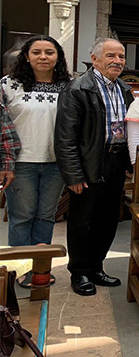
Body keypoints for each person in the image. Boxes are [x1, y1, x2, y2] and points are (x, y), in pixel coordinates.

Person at [55, 38, 134, 296]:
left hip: (116, 161)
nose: (118, 61)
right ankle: (79, 273)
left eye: (121, 57)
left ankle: (97, 267)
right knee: (82, 220)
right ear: (95, 58)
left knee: (109, 218)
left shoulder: (124, 89)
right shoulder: (78, 88)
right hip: (89, 163)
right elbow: (66, 136)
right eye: (111, 56)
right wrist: (74, 174)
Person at [1, 35, 70, 287]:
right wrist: (5, 163)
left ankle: (40, 269)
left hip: (55, 163)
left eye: (49, 52)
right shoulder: (9, 85)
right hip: (21, 163)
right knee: (22, 216)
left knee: (46, 216)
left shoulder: (68, 86)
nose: (43, 57)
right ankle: (19, 270)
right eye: (37, 52)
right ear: (26, 56)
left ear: (58, 57)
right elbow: (1, 128)